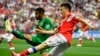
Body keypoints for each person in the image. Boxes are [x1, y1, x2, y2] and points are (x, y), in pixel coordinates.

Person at [11, 2, 95, 56]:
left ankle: (19, 55)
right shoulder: (63, 21)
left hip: (62, 37)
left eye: (61, 10)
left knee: (42, 45)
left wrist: (90, 25)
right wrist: (41, 31)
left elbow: (81, 19)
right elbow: (53, 32)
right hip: (67, 42)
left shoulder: (71, 15)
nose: (60, 11)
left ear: (66, 9)